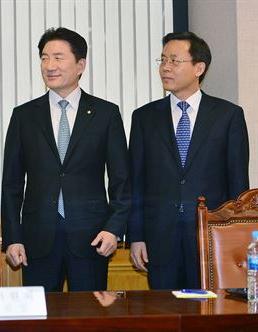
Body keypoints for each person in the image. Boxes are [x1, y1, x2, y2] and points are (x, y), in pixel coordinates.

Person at [2, 27, 130, 291]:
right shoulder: (24, 116)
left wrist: (114, 228)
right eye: (44, 58)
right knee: (40, 318)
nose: (49, 65)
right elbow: (11, 185)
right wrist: (13, 238)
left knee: (90, 317)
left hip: (93, 237)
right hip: (37, 237)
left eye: (58, 57)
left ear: (80, 64)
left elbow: (122, 180)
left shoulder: (106, 114)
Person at [128, 31, 249, 289]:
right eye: (162, 60)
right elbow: (136, 182)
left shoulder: (228, 116)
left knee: (208, 316)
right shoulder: (144, 118)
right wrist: (136, 236)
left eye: (174, 61)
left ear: (199, 67)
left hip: (210, 239)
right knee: (164, 316)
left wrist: (236, 240)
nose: (165, 68)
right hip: (159, 238)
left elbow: (238, 184)